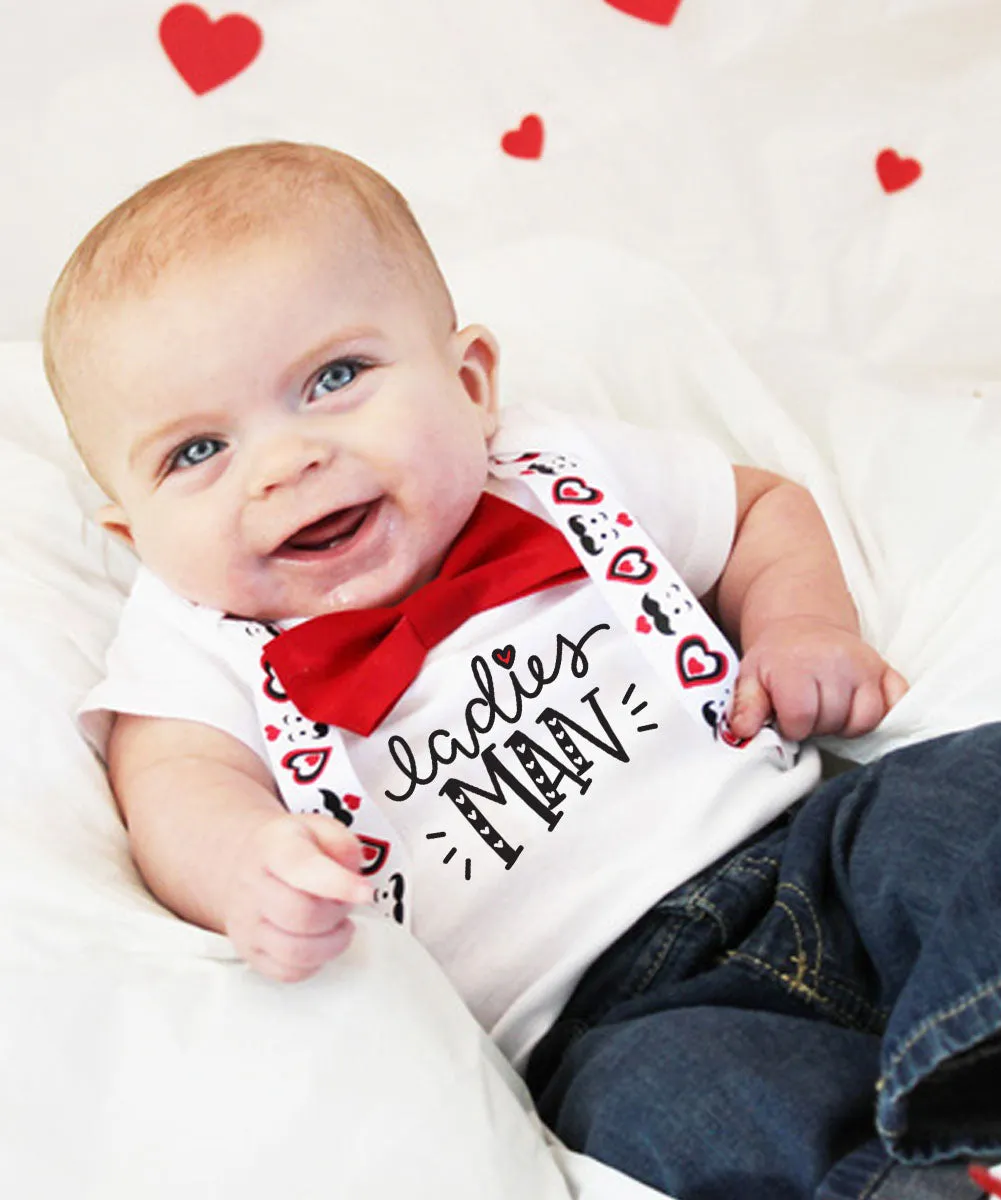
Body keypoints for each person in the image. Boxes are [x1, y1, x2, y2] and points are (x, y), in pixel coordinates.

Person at [43, 140, 1001, 1200]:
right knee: (668, 1111)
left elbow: (756, 510)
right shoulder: (197, 636)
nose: (284, 462)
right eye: (195, 452)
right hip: (604, 1012)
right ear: (136, 535)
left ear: (468, 384)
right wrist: (244, 865)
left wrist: (798, 628)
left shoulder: (553, 472)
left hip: (804, 847)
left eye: (334, 378)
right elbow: (171, 779)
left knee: (957, 795)